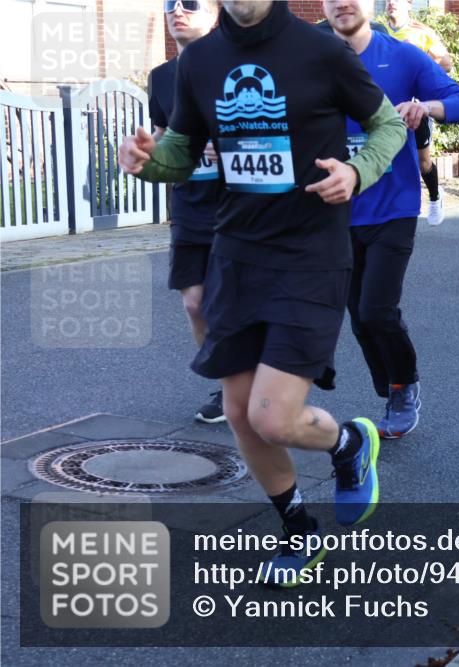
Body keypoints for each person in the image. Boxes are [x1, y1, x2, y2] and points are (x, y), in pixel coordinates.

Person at [118, 0, 406, 585]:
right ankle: (298, 527)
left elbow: (390, 126)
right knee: (239, 413)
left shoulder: (321, 50)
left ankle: (349, 442)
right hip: (235, 254)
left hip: (310, 256)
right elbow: (182, 152)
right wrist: (148, 160)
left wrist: (357, 171)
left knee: (273, 417)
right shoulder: (200, 60)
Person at [325, 0, 459, 437]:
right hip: (338, 208)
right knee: (358, 315)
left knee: (376, 309)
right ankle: (391, 387)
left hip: (394, 204)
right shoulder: (312, 56)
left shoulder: (403, 54)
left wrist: (424, 107)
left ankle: (403, 387)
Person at [149, 0, 225, 424]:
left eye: (191, 3)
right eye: (170, 3)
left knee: (234, 299)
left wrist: (226, 145)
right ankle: (229, 381)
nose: (178, 10)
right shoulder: (161, 77)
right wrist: (151, 151)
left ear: (214, 15)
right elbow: (162, 135)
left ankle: (250, 380)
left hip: (238, 202)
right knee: (195, 304)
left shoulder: (234, 66)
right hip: (188, 202)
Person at [386, 0, 453, 226]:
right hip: (386, 107)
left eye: (397, 0)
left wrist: (417, 57)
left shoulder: (422, 32)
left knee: (423, 162)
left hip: (416, 107)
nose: (391, 3)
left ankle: (435, 196)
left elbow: (446, 64)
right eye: (388, 0)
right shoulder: (377, 30)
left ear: (409, 5)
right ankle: (396, 212)